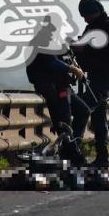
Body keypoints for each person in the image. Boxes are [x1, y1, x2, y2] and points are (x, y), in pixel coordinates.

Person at [26, 17, 89, 165]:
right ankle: (71, 155)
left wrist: (73, 57)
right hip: (51, 87)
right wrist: (72, 69)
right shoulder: (39, 41)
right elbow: (51, 62)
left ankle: (72, 148)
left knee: (83, 111)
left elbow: (63, 57)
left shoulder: (57, 41)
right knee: (64, 122)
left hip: (63, 86)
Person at [71, 0, 109, 168]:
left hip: (106, 78)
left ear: (95, 12)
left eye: (86, 15)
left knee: (82, 109)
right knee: (99, 120)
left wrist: (83, 49)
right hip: (95, 78)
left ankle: (73, 153)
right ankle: (102, 159)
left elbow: (107, 55)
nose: (85, 19)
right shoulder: (93, 27)